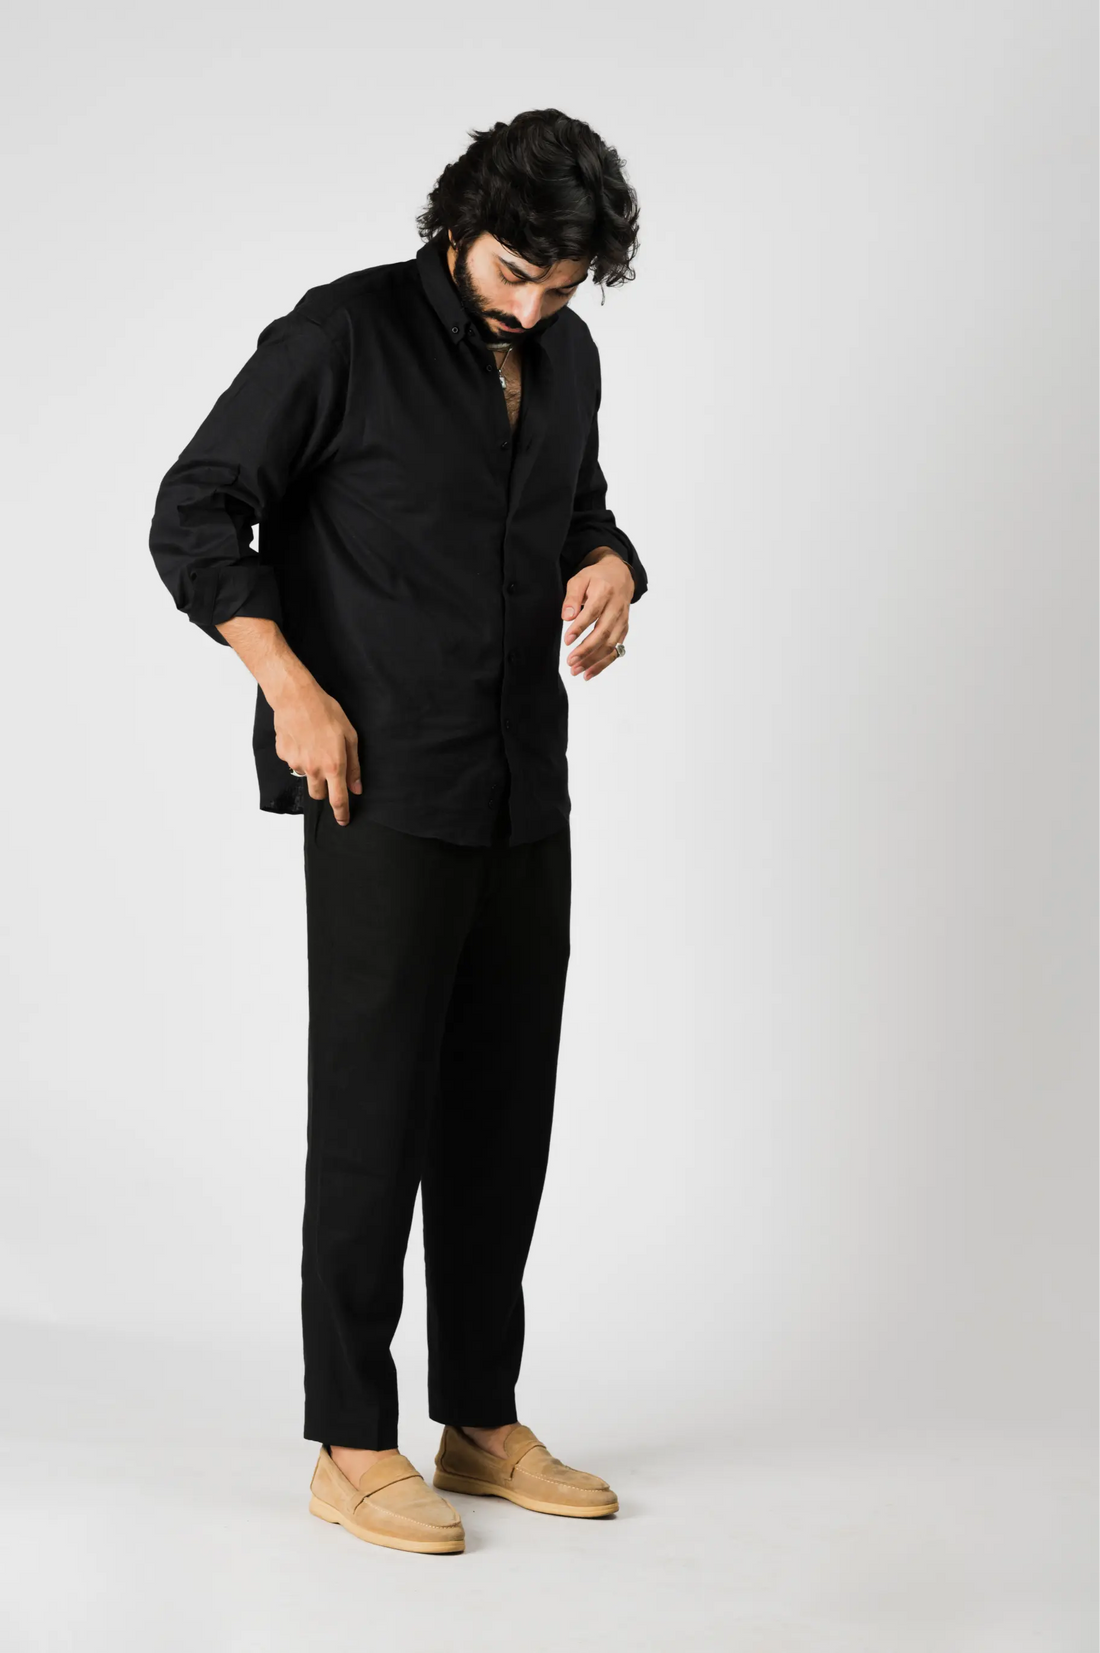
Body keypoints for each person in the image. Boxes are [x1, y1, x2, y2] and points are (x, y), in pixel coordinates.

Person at [148, 107, 647, 1555]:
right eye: (514, 275)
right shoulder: (342, 335)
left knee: (503, 1111)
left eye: (563, 287)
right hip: (377, 780)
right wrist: (289, 685)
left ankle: (479, 1421)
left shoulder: (566, 355)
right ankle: (352, 1444)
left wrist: (612, 566)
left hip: (521, 780)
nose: (533, 308)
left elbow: (578, 507)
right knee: (374, 1114)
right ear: (459, 225)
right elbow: (196, 510)